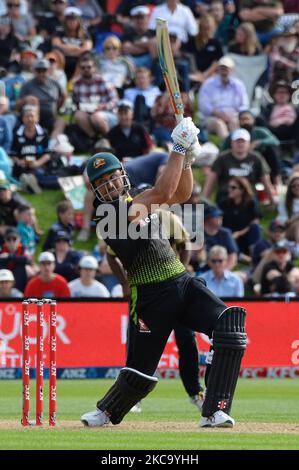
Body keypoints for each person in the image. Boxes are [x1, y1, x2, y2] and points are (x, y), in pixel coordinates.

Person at [80, 116, 247, 428]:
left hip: (181, 281)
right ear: (96, 192)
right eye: (103, 183)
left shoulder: (136, 198)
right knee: (139, 372)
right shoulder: (110, 216)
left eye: (113, 177)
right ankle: (107, 411)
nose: (111, 185)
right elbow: (165, 191)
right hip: (151, 296)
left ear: (123, 176)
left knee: (230, 327)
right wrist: (178, 147)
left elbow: (180, 194)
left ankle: (215, 410)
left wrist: (187, 160)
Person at [106, 207, 206, 413]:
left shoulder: (164, 216)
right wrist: (125, 284)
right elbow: (110, 255)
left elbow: (185, 245)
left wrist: (179, 273)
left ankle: (196, 393)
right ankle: (132, 397)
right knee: (138, 343)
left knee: (187, 341)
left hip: (172, 289)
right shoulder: (124, 220)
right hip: (144, 291)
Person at [203, 128, 276, 206]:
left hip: (249, 197)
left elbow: (266, 181)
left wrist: (272, 200)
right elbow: (211, 180)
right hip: (226, 197)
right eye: (237, 141)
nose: (240, 144)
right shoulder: (222, 158)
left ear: (249, 143)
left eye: (243, 141)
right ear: (232, 143)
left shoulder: (256, 158)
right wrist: (204, 201)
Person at [220, 110, 281, 186]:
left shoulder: (260, 131)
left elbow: (275, 141)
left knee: (271, 150)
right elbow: (222, 150)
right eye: (243, 119)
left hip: (259, 159)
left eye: (248, 119)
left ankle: (277, 182)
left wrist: (258, 143)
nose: (246, 121)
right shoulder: (234, 135)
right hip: (238, 160)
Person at [198, 56, 249, 139]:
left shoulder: (238, 85)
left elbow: (244, 105)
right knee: (219, 124)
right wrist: (218, 114)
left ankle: (235, 144)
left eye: (226, 69)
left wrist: (234, 114)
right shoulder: (208, 84)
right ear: (218, 70)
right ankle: (227, 147)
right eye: (222, 69)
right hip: (212, 117)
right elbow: (204, 106)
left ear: (232, 70)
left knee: (234, 121)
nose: (224, 72)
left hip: (234, 116)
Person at [72, 54, 119, 140]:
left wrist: (103, 106)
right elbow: (76, 103)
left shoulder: (103, 81)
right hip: (88, 113)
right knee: (78, 115)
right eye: (83, 68)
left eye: (89, 67)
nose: (86, 70)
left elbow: (115, 100)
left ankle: (109, 139)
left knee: (96, 117)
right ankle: (94, 139)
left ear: (94, 68)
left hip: (107, 113)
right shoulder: (77, 84)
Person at [16, 58, 66, 137]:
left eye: (44, 70)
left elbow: (63, 96)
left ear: (48, 70)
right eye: (39, 70)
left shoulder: (55, 84)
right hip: (32, 118)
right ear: (34, 71)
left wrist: (56, 108)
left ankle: (51, 143)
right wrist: (25, 100)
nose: (41, 73)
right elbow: (17, 106)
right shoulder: (27, 85)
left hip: (50, 117)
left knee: (60, 122)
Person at [219, 177, 262, 260]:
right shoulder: (224, 203)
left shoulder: (251, 203)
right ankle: (243, 258)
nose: (230, 190)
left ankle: (255, 255)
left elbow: (255, 221)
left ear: (242, 190)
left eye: (233, 187)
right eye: (229, 187)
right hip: (231, 237)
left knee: (256, 228)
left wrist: (239, 233)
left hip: (246, 236)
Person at [10, 104, 50, 194]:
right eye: (27, 116)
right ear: (23, 119)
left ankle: (29, 184)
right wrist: (19, 161)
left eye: (32, 116)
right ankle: (31, 183)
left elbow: (48, 154)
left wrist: (37, 163)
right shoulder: (16, 133)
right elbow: (12, 154)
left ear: (37, 118)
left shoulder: (44, 133)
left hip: (38, 165)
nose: (30, 119)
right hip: (22, 166)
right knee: (18, 172)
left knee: (39, 174)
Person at [52, 6, 93, 80]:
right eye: (69, 20)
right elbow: (56, 45)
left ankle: (73, 81)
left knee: (86, 55)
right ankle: (60, 78)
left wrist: (66, 49)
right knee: (55, 53)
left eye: (74, 20)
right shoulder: (59, 31)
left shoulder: (84, 33)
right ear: (65, 21)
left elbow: (87, 48)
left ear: (78, 21)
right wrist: (75, 49)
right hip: (62, 59)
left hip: (78, 60)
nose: (71, 22)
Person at [203, 204, 239, 270]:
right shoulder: (197, 234)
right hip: (200, 271)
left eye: (220, 215)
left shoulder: (225, 233)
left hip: (222, 270)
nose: (220, 217)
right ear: (207, 219)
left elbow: (232, 256)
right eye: (216, 216)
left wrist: (223, 273)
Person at [277, 172, 299, 242]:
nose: (297, 187)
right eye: (293, 186)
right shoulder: (284, 202)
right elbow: (284, 221)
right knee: (298, 224)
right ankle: (298, 247)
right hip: (290, 228)